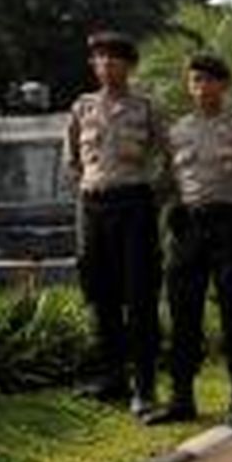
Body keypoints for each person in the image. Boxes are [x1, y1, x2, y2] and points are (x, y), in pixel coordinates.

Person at [145, 54, 232, 432]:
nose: (202, 87)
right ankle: (182, 397)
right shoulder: (176, 131)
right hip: (189, 229)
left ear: (224, 85)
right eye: (195, 80)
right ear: (189, 85)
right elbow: (165, 182)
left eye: (210, 80)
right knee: (183, 314)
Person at [64, 31, 169, 418]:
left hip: (134, 206)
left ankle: (144, 387)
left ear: (129, 65)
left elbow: (167, 156)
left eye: (114, 59)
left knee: (140, 298)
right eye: (99, 59)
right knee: (101, 296)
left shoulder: (147, 107)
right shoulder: (82, 108)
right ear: (93, 65)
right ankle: (113, 378)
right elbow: (72, 160)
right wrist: (90, 189)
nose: (106, 66)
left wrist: (148, 191)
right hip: (93, 206)